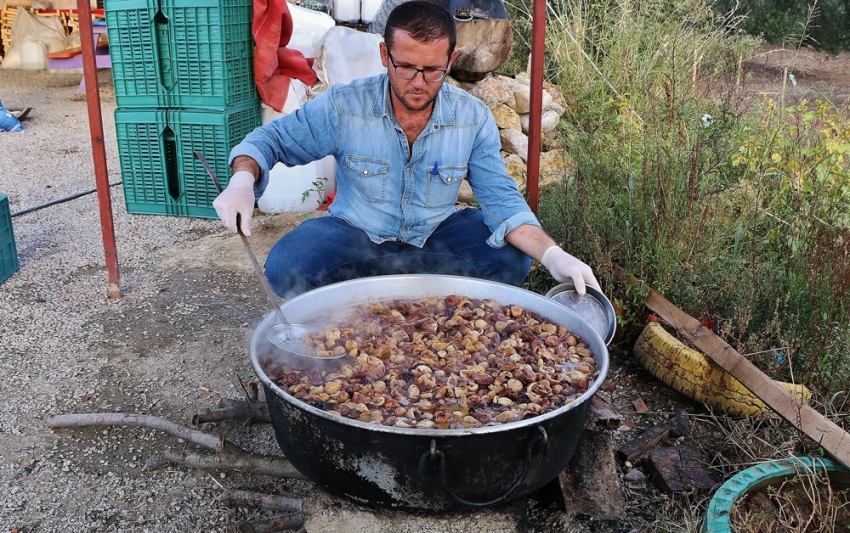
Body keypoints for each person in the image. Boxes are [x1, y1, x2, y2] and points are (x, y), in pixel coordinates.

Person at [213, 0, 599, 299]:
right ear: (385, 56)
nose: (419, 82)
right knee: (287, 264)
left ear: (450, 60)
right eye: (406, 67)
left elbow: (503, 202)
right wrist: (243, 180)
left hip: (436, 234)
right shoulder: (344, 105)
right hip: (357, 234)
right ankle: (399, 295)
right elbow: (269, 141)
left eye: (432, 70)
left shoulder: (472, 117)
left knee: (510, 259)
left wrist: (552, 255)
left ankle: (403, 298)